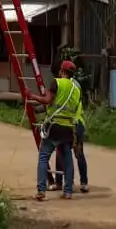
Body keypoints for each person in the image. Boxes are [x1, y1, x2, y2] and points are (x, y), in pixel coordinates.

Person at [27, 59, 82, 200]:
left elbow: (47, 101)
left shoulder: (56, 82)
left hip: (54, 127)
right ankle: (68, 191)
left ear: (61, 71)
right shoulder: (76, 89)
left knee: (44, 156)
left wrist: (32, 96)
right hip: (68, 128)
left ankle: (41, 191)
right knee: (68, 160)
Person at [49, 61, 89, 193]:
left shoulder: (64, 84)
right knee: (74, 153)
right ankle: (82, 183)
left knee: (64, 152)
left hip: (71, 122)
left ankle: (64, 183)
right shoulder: (75, 84)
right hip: (75, 121)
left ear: (62, 71)